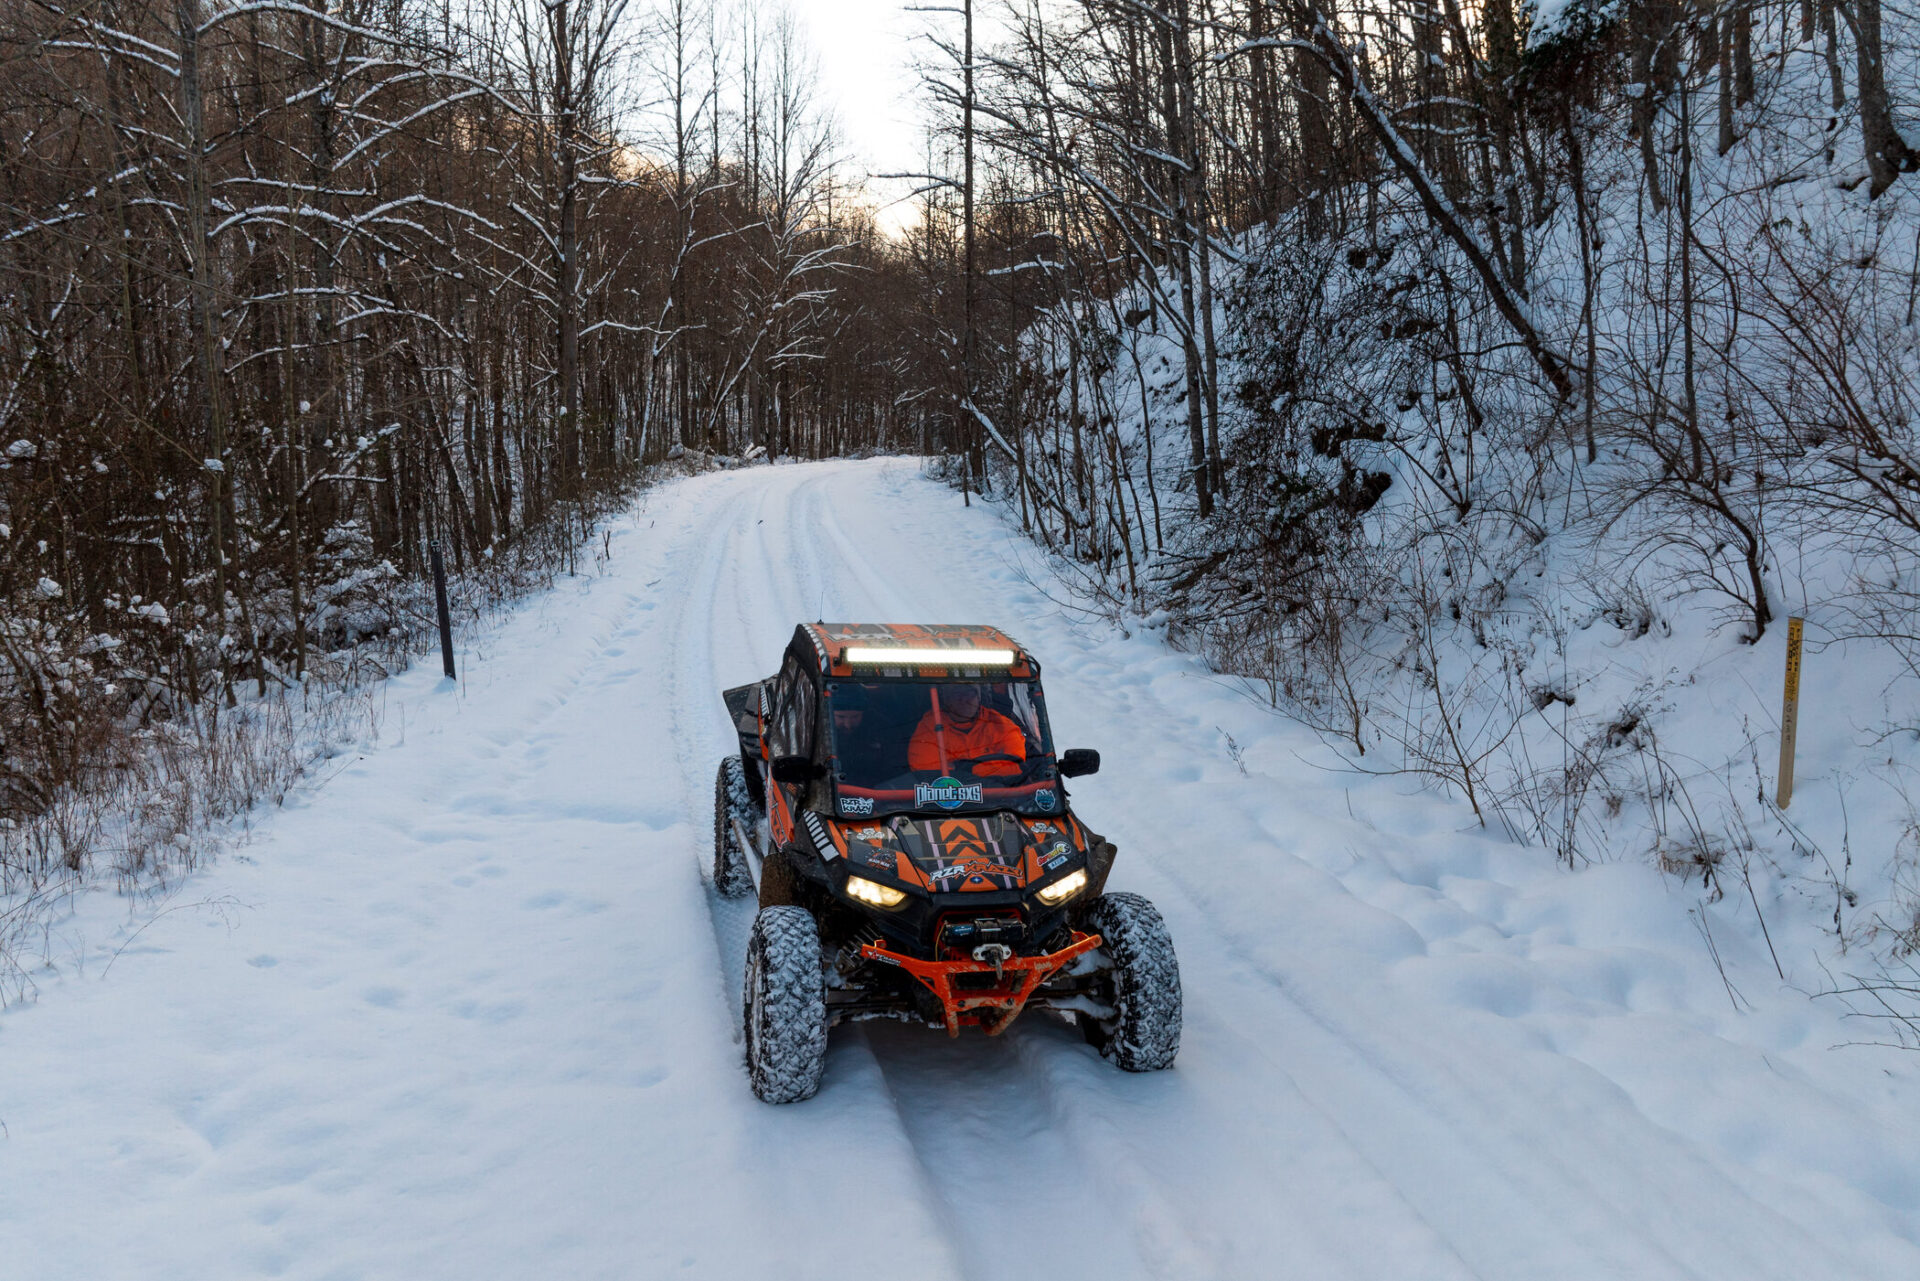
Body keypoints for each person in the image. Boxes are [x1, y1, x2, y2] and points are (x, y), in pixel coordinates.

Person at [908, 684, 1027, 778]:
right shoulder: (929, 728)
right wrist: (992, 768)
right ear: (945, 699)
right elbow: (926, 773)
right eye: (956, 693)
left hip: (1001, 798)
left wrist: (961, 770)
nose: (964, 699)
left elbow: (1017, 767)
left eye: (970, 692)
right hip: (946, 803)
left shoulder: (1001, 726)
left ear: (979, 697)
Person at [829, 684, 894, 782]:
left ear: (865, 713)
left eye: (855, 717)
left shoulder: (881, 729)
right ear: (828, 713)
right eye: (841, 717)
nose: (848, 725)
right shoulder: (819, 730)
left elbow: (894, 766)